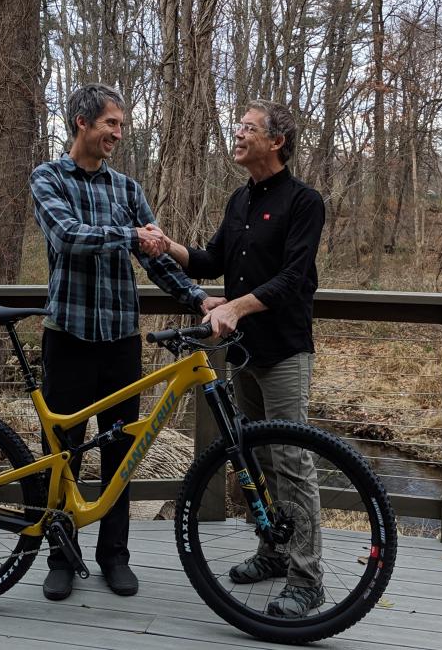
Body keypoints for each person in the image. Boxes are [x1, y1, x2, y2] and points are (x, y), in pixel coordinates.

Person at [29, 83, 217, 602]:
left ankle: (115, 557)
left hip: (119, 344)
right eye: (111, 123)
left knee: (121, 450)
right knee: (61, 455)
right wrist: (130, 235)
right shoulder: (48, 177)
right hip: (67, 337)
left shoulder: (127, 189)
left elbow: (155, 259)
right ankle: (62, 558)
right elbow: (67, 237)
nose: (118, 133)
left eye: (122, 125)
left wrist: (197, 298)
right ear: (81, 123)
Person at [158, 99, 326, 618]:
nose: (237, 134)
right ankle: (272, 551)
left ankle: (307, 578)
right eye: (239, 127)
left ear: (275, 142)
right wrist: (168, 246)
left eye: (248, 128)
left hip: (284, 350)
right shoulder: (239, 200)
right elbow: (212, 259)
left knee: (292, 462)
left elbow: (293, 279)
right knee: (255, 457)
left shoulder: (304, 201)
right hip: (243, 352)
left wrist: (236, 306)